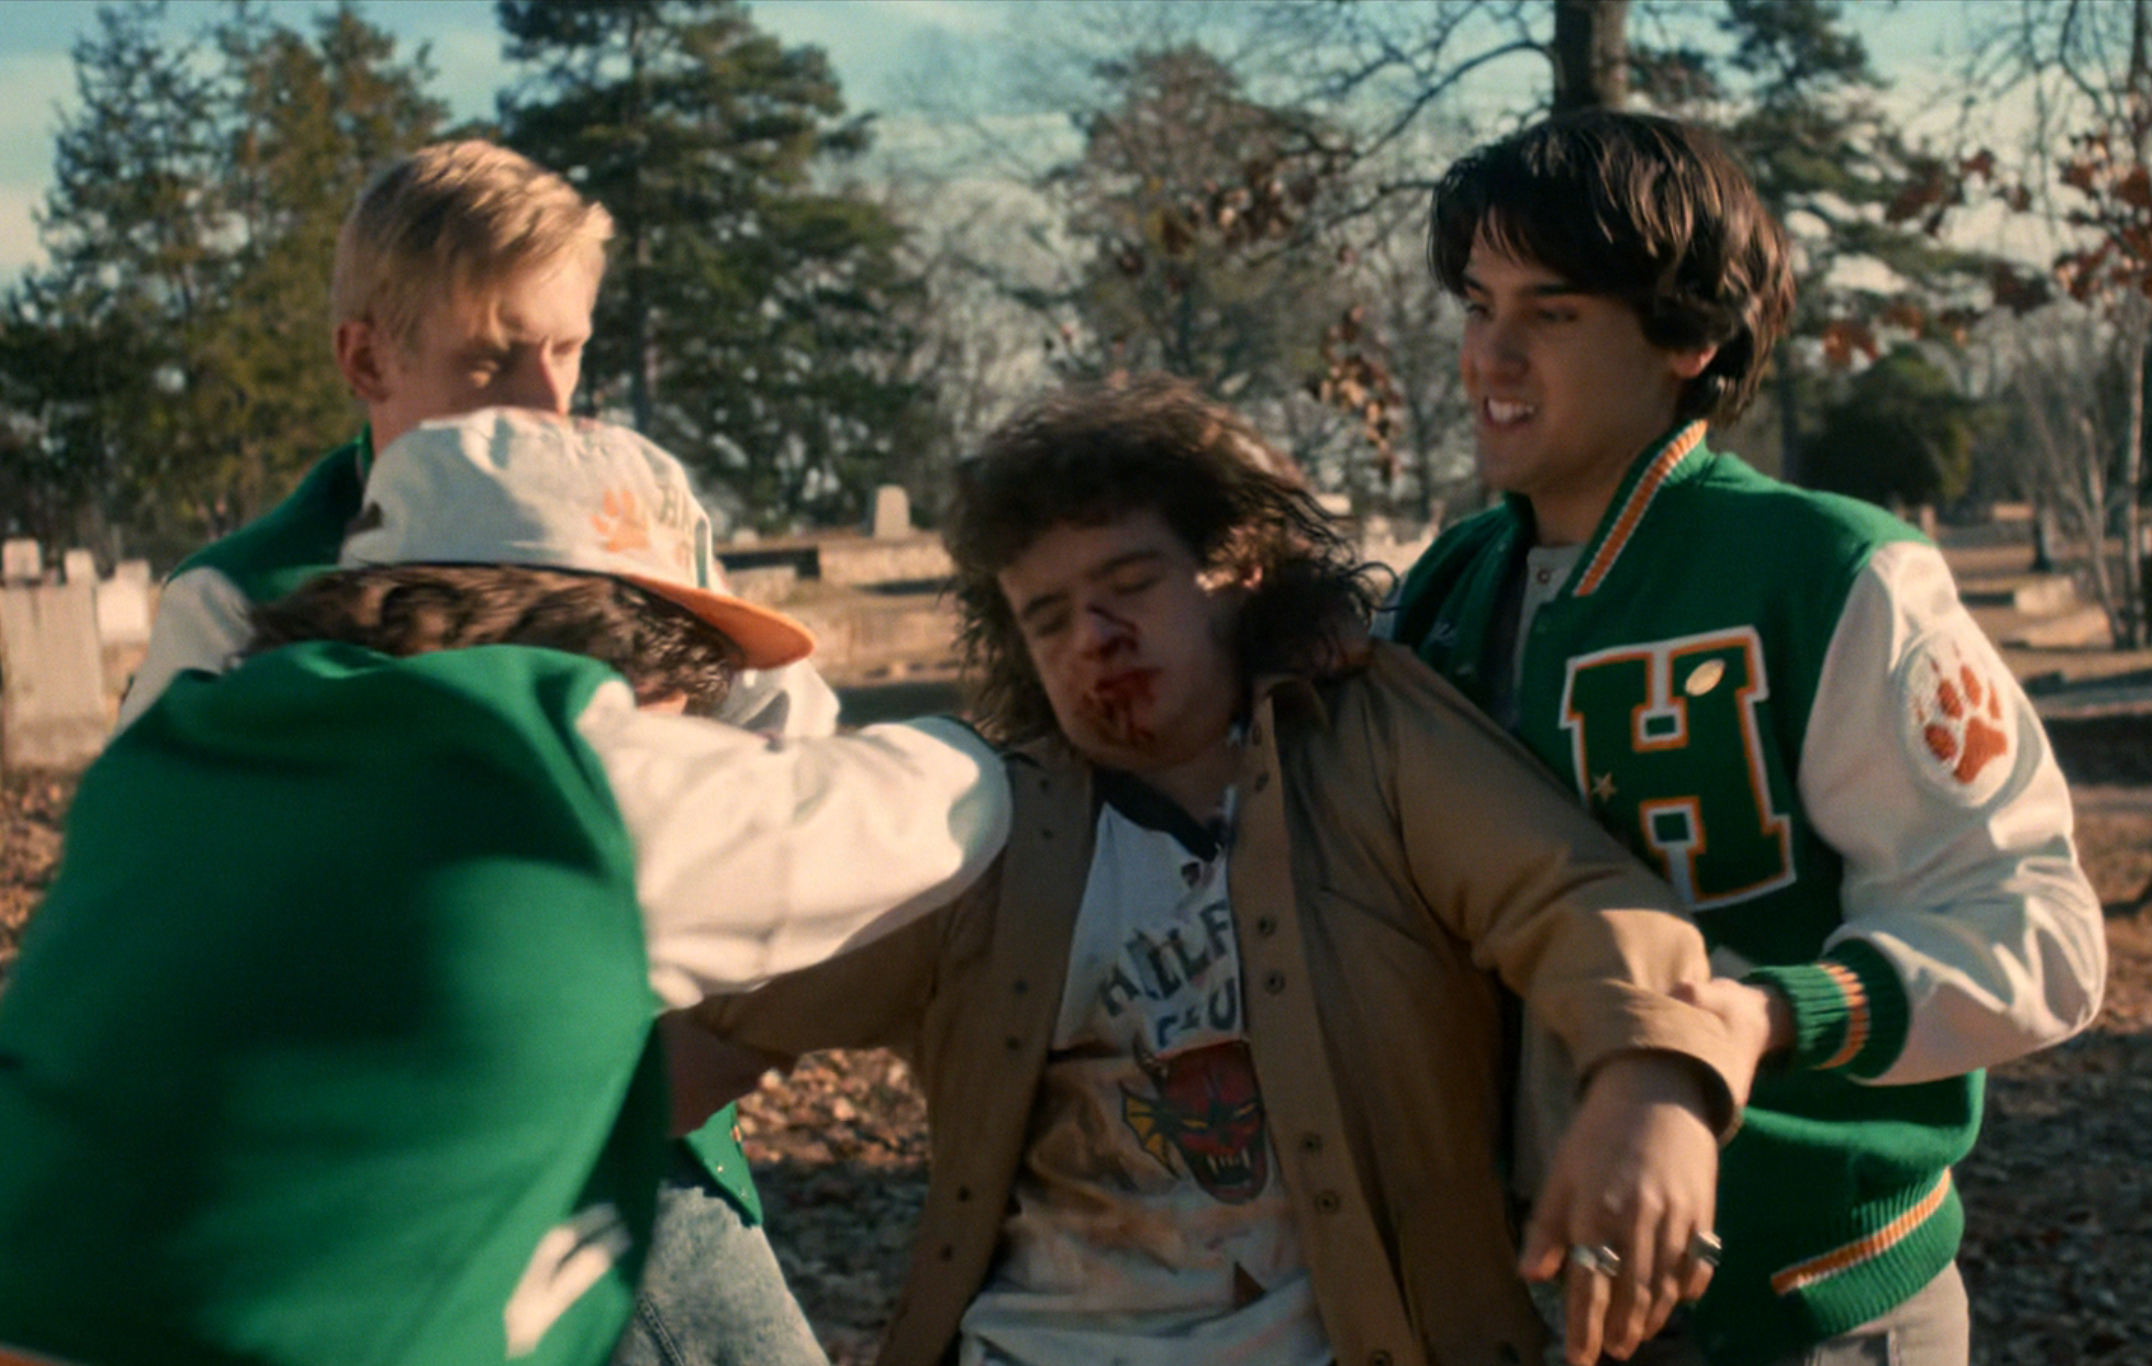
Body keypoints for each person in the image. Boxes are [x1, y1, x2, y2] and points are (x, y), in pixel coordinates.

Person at [682, 377, 1770, 1366]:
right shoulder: (985, 822)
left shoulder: (1369, 741)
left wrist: (1651, 1074)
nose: (1092, 637)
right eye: (1046, 617)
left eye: (1128, 584)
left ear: (1240, 568)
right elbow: (733, 1020)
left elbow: (1570, 896)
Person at [0, 409, 1009, 1366]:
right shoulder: (565, 780)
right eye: (693, 691)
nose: (701, 728)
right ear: (619, 659)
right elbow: (932, 809)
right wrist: (1000, 743)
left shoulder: (176, 755)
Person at [1385, 110, 2107, 1366]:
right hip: (1527, 1303)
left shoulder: (1829, 571)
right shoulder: (1445, 585)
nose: (1489, 355)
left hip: (1807, 1308)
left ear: (1691, 336)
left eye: (1549, 313)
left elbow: (2037, 934)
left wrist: (1758, 1017)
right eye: (1475, 303)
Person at [113, 140, 837, 1366]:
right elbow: (163, 922)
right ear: (366, 359)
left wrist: (712, 1035)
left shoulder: (636, 527)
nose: (548, 403)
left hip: (642, 1144)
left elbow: (802, 778)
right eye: (492, 359)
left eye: (567, 349)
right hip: (378, 1186)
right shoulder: (241, 602)